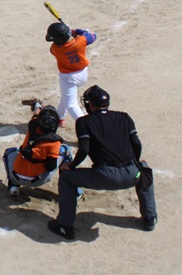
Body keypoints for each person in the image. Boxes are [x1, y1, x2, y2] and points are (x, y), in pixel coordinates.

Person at [47, 85, 157, 241]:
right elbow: (136, 143)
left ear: (91, 105)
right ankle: (150, 218)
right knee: (144, 170)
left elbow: (84, 149)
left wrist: (70, 166)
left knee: (66, 178)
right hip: (132, 174)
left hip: (105, 176)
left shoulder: (83, 122)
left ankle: (65, 226)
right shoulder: (124, 117)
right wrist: (136, 161)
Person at [46, 22, 96, 128]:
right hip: (82, 75)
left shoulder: (55, 49)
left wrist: (69, 34)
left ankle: (87, 127)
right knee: (66, 97)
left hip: (68, 79)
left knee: (71, 104)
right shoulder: (80, 42)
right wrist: (76, 31)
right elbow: (92, 36)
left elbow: (55, 47)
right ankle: (60, 117)